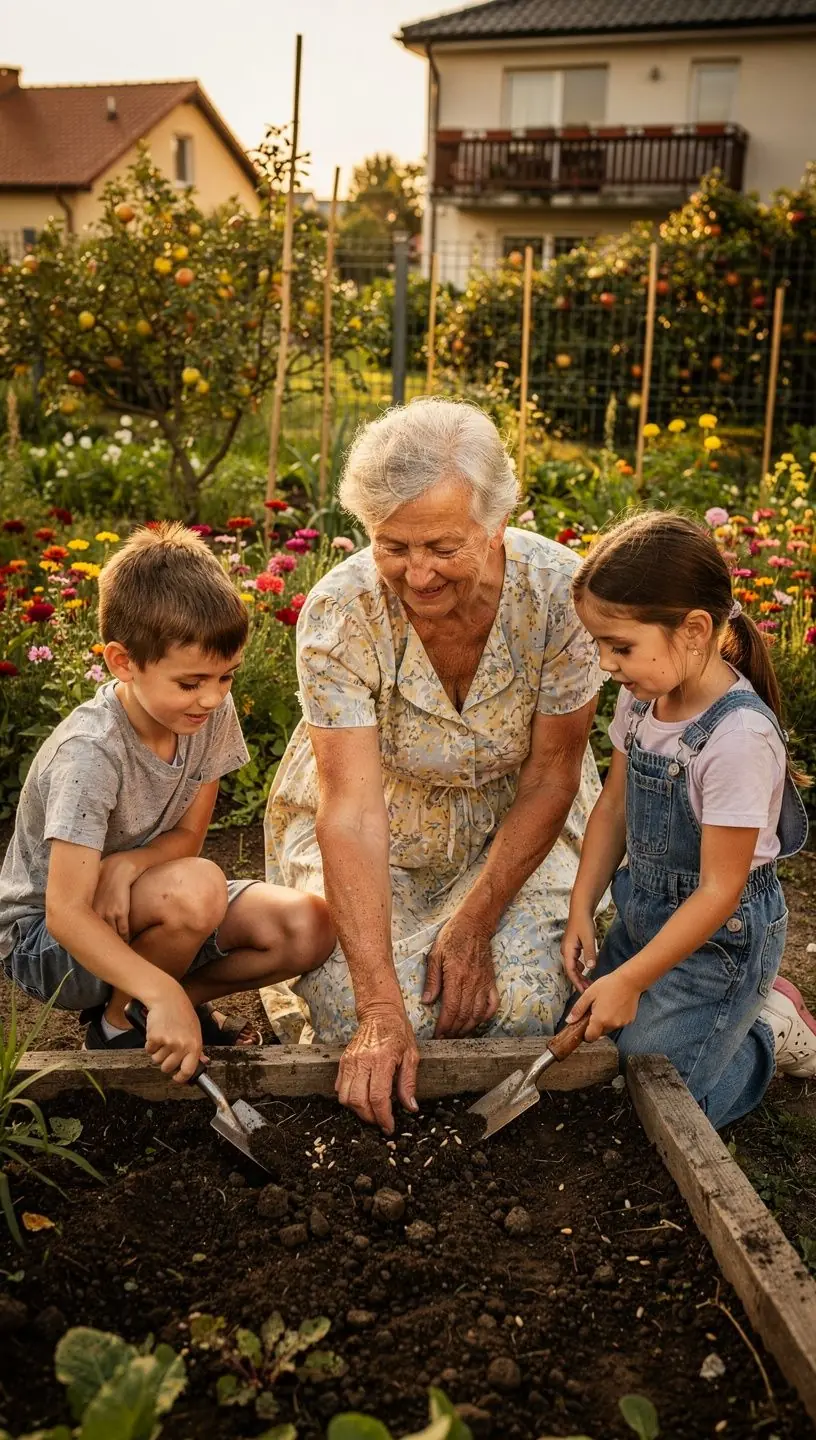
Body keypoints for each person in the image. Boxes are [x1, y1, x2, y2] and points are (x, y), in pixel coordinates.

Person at [262, 397, 604, 1131]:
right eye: (393, 546)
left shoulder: (561, 596)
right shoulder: (340, 612)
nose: (417, 575)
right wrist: (380, 1008)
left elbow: (552, 775)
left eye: (443, 547)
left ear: (497, 522)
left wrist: (476, 922)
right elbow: (351, 812)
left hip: (519, 822)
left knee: (528, 1002)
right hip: (379, 822)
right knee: (353, 1010)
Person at [0, 524, 333, 1081]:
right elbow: (65, 913)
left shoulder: (207, 715)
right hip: (48, 946)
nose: (213, 697)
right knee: (197, 888)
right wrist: (159, 988)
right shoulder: (91, 753)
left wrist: (126, 864)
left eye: (226, 677)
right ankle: (122, 1027)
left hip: (149, 900)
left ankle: (153, 1008)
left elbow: (188, 839)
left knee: (310, 926)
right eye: (191, 682)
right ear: (122, 662)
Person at [562, 511, 816, 1128]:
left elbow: (719, 891)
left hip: (719, 943)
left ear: (695, 629)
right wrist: (581, 906)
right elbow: (613, 808)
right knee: (588, 1038)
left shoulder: (737, 740)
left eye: (621, 646)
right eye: (599, 645)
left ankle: (768, 1031)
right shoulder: (642, 700)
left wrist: (630, 981)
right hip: (645, 917)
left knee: (665, 1103)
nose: (606, 664)